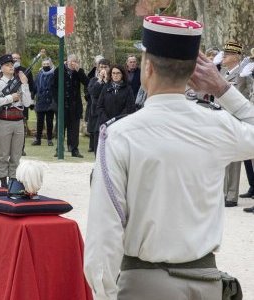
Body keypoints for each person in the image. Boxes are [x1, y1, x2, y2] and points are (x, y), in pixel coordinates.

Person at [84, 16, 247, 300]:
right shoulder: (218, 126)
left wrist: (105, 293)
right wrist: (222, 89)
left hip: (143, 287)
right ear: (193, 72)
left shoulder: (120, 135)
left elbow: (105, 233)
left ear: (147, 68)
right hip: (206, 284)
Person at [0, 54, 32, 188]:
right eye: (7, 65)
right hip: (4, 120)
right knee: (3, 153)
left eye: (12, 65)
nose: (11, 67)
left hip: (19, 120)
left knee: (16, 153)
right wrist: (9, 98)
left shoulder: (19, 82)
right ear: (1, 67)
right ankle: (3, 179)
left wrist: (24, 85)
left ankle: (13, 178)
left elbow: (27, 102)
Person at [221, 41, 250, 207]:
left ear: (236, 56)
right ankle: (224, 193)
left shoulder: (242, 74)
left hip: (236, 119)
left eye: (228, 54)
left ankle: (231, 195)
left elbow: (242, 96)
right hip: (223, 117)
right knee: (225, 157)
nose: (224, 56)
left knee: (233, 159)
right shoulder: (224, 72)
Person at [51, 54, 89, 157]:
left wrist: (79, 71)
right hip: (62, 105)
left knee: (74, 129)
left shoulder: (78, 72)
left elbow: (87, 82)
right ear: (67, 61)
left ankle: (74, 149)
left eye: (76, 61)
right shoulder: (59, 70)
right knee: (61, 128)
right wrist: (58, 100)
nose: (74, 63)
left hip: (75, 105)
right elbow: (53, 86)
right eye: (72, 61)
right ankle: (59, 148)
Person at [94, 64, 136, 134]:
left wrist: (116, 120)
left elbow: (130, 107)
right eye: (113, 73)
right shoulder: (106, 87)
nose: (115, 75)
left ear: (122, 74)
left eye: (118, 73)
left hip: (122, 125)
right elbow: (99, 106)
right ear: (111, 75)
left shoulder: (128, 89)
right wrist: (107, 121)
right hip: (105, 125)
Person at [87, 58, 111, 152]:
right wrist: (100, 80)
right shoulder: (94, 80)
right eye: (101, 67)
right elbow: (93, 92)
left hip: (109, 114)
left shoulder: (112, 81)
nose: (103, 69)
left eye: (105, 67)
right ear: (98, 69)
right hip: (96, 114)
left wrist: (106, 81)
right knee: (97, 142)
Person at [32, 57, 56, 146]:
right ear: (42, 65)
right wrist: (32, 98)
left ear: (50, 64)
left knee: (49, 122)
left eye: (47, 64)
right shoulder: (39, 75)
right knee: (39, 122)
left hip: (50, 101)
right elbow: (35, 87)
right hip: (40, 100)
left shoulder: (54, 74)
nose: (46, 66)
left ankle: (49, 139)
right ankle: (38, 139)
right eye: (44, 64)